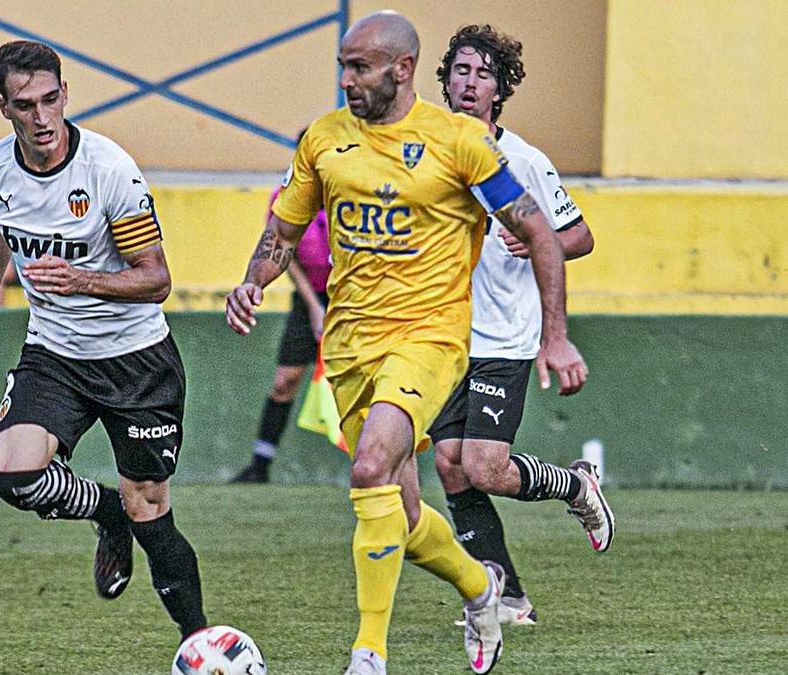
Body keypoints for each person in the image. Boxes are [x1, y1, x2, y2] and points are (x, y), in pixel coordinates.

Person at [226, 11, 593, 675]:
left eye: (360, 67)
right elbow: (284, 228)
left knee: (371, 467)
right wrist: (253, 280)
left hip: (431, 337)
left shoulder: (459, 143)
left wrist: (557, 338)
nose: (347, 79)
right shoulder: (322, 139)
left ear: (402, 69)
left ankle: (369, 654)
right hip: (349, 342)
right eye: (343, 65)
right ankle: (482, 585)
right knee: (400, 506)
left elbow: (544, 233)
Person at [0, 40, 206, 643]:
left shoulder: (107, 171)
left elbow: (157, 280)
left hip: (136, 363)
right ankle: (105, 510)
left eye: (50, 100)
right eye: (25, 105)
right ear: (3, 106)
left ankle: (198, 642)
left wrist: (81, 280)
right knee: (16, 478)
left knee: (152, 513)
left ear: (65, 95)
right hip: (55, 357)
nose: (41, 118)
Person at [430, 24, 615, 629]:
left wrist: (536, 238)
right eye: (461, 70)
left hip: (503, 334)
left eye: (483, 74)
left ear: (500, 89)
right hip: (445, 335)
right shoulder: (428, 149)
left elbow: (580, 236)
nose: (469, 83)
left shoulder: (525, 160)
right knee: (451, 464)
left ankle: (575, 485)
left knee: (482, 465)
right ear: (445, 78)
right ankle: (506, 599)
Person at [231, 141, 331, 483]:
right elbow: (284, 250)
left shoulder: (349, 191)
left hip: (353, 296)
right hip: (308, 301)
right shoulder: (289, 195)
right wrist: (315, 307)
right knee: (285, 381)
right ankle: (260, 464)